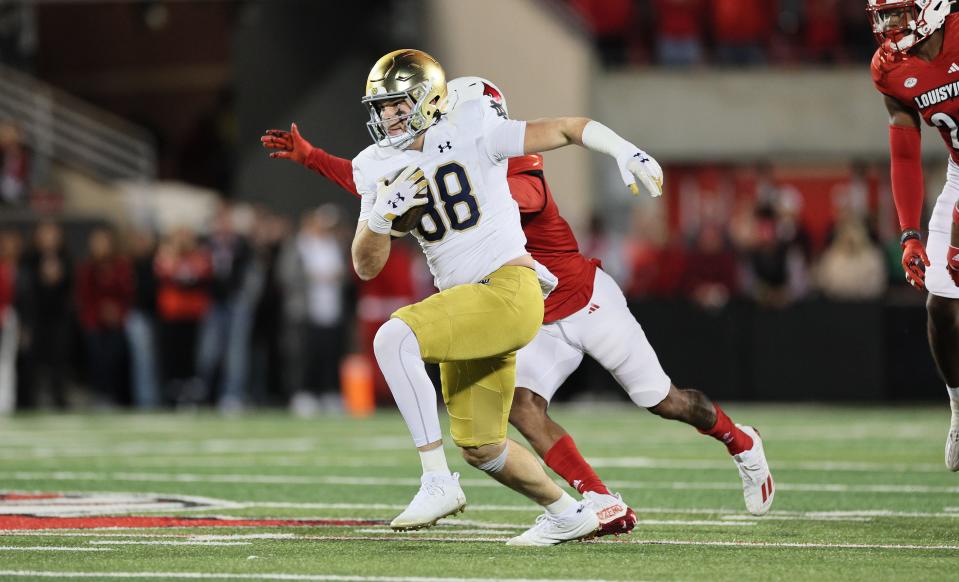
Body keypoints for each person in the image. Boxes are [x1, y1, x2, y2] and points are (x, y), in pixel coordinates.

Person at [262, 71, 775, 537]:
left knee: (663, 400)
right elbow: (371, 178)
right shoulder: (433, 154)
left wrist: (442, 174)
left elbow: (519, 193)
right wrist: (321, 163)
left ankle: (741, 442)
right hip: (526, 313)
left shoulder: (498, 152)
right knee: (522, 411)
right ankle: (593, 502)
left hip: (580, 298)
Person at [868, 0, 959, 470]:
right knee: (941, 304)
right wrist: (909, 233)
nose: (889, 26)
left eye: (899, 12)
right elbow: (904, 156)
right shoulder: (891, 69)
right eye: (882, 14)